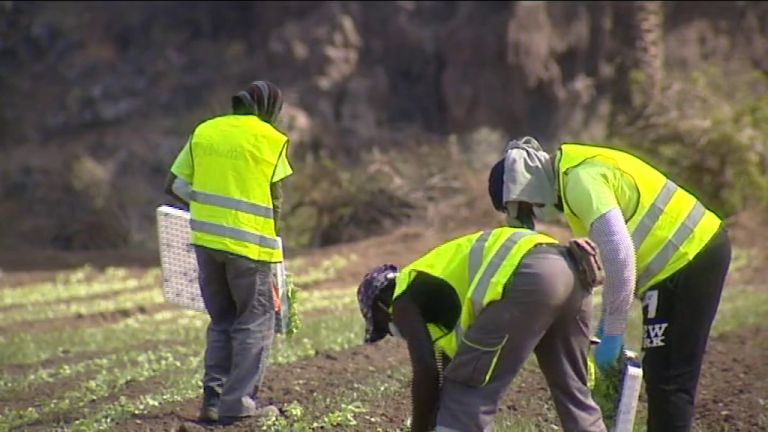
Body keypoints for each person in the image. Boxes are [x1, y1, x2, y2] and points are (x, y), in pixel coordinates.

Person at [487, 137, 732, 432]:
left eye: (528, 206)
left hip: (691, 257)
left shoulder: (580, 181)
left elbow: (619, 254)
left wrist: (613, 330)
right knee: (661, 375)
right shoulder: (572, 172)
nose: (536, 211)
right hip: (680, 263)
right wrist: (605, 324)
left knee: (670, 378)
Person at [356, 227, 608, 432]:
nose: (392, 332)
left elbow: (426, 370)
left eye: (383, 325)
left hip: (528, 274)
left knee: (465, 392)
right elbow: (445, 366)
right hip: (570, 268)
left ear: (381, 305)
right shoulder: (433, 285)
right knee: (573, 392)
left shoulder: (401, 298)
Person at [164, 80, 293, 425]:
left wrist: (208, 208)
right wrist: (275, 249)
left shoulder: (205, 131)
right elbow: (276, 200)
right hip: (250, 247)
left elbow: (174, 185)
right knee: (255, 321)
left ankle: (213, 401)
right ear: (269, 108)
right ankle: (238, 405)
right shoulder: (271, 139)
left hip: (207, 242)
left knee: (222, 320)